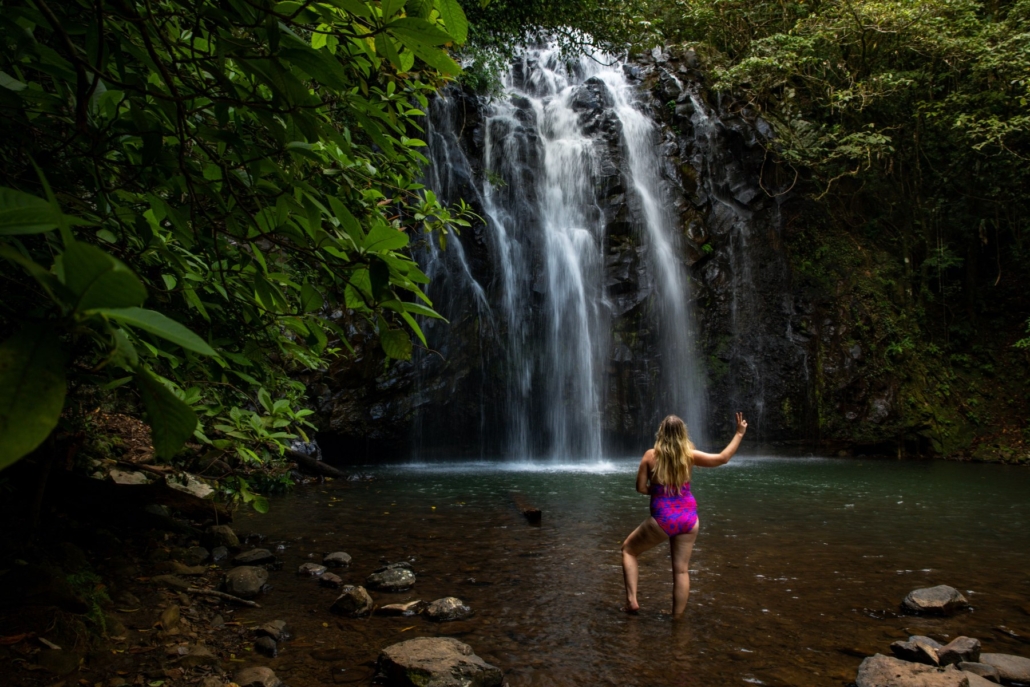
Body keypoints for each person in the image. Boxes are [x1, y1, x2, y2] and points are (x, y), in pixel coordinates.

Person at [621, 412, 748, 617]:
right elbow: (723, 458)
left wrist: (660, 491)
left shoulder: (650, 456)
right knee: (681, 570)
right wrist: (739, 433)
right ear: (683, 434)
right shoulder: (689, 455)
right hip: (689, 518)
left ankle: (632, 601)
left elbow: (640, 488)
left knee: (629, 550)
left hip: (663, 518)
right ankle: (677, 619)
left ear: (661, 433)